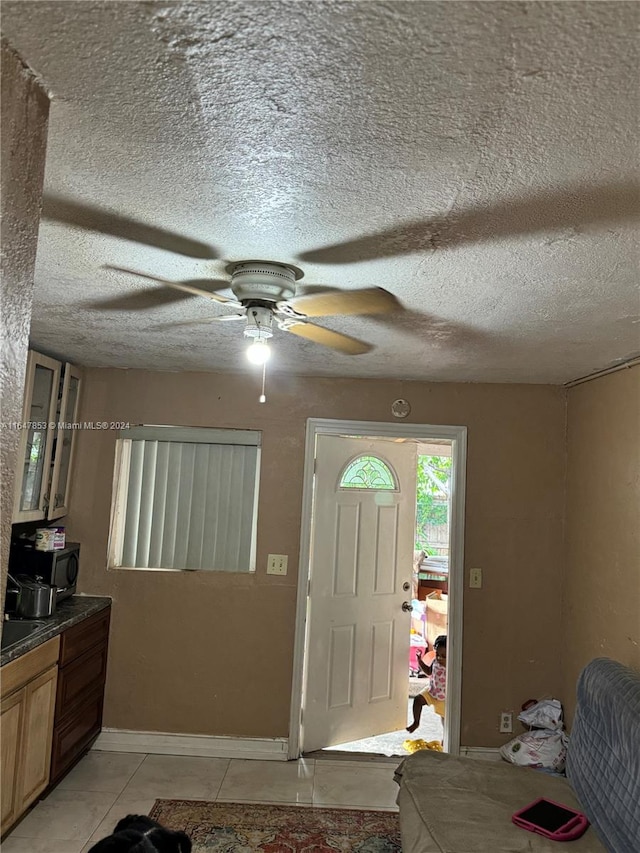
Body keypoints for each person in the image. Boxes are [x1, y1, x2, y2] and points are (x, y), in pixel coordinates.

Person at [407, 635, 446, 734]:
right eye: (437, 654)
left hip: (446, 699)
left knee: (445, 721)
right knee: (417, 700)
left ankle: (445, 737)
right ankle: (416, 722)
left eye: (444, 656)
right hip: (432, 691)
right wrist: (420, 661)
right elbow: (428, 672)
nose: (439, 658)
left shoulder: (452, 665)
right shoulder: (435, 661)